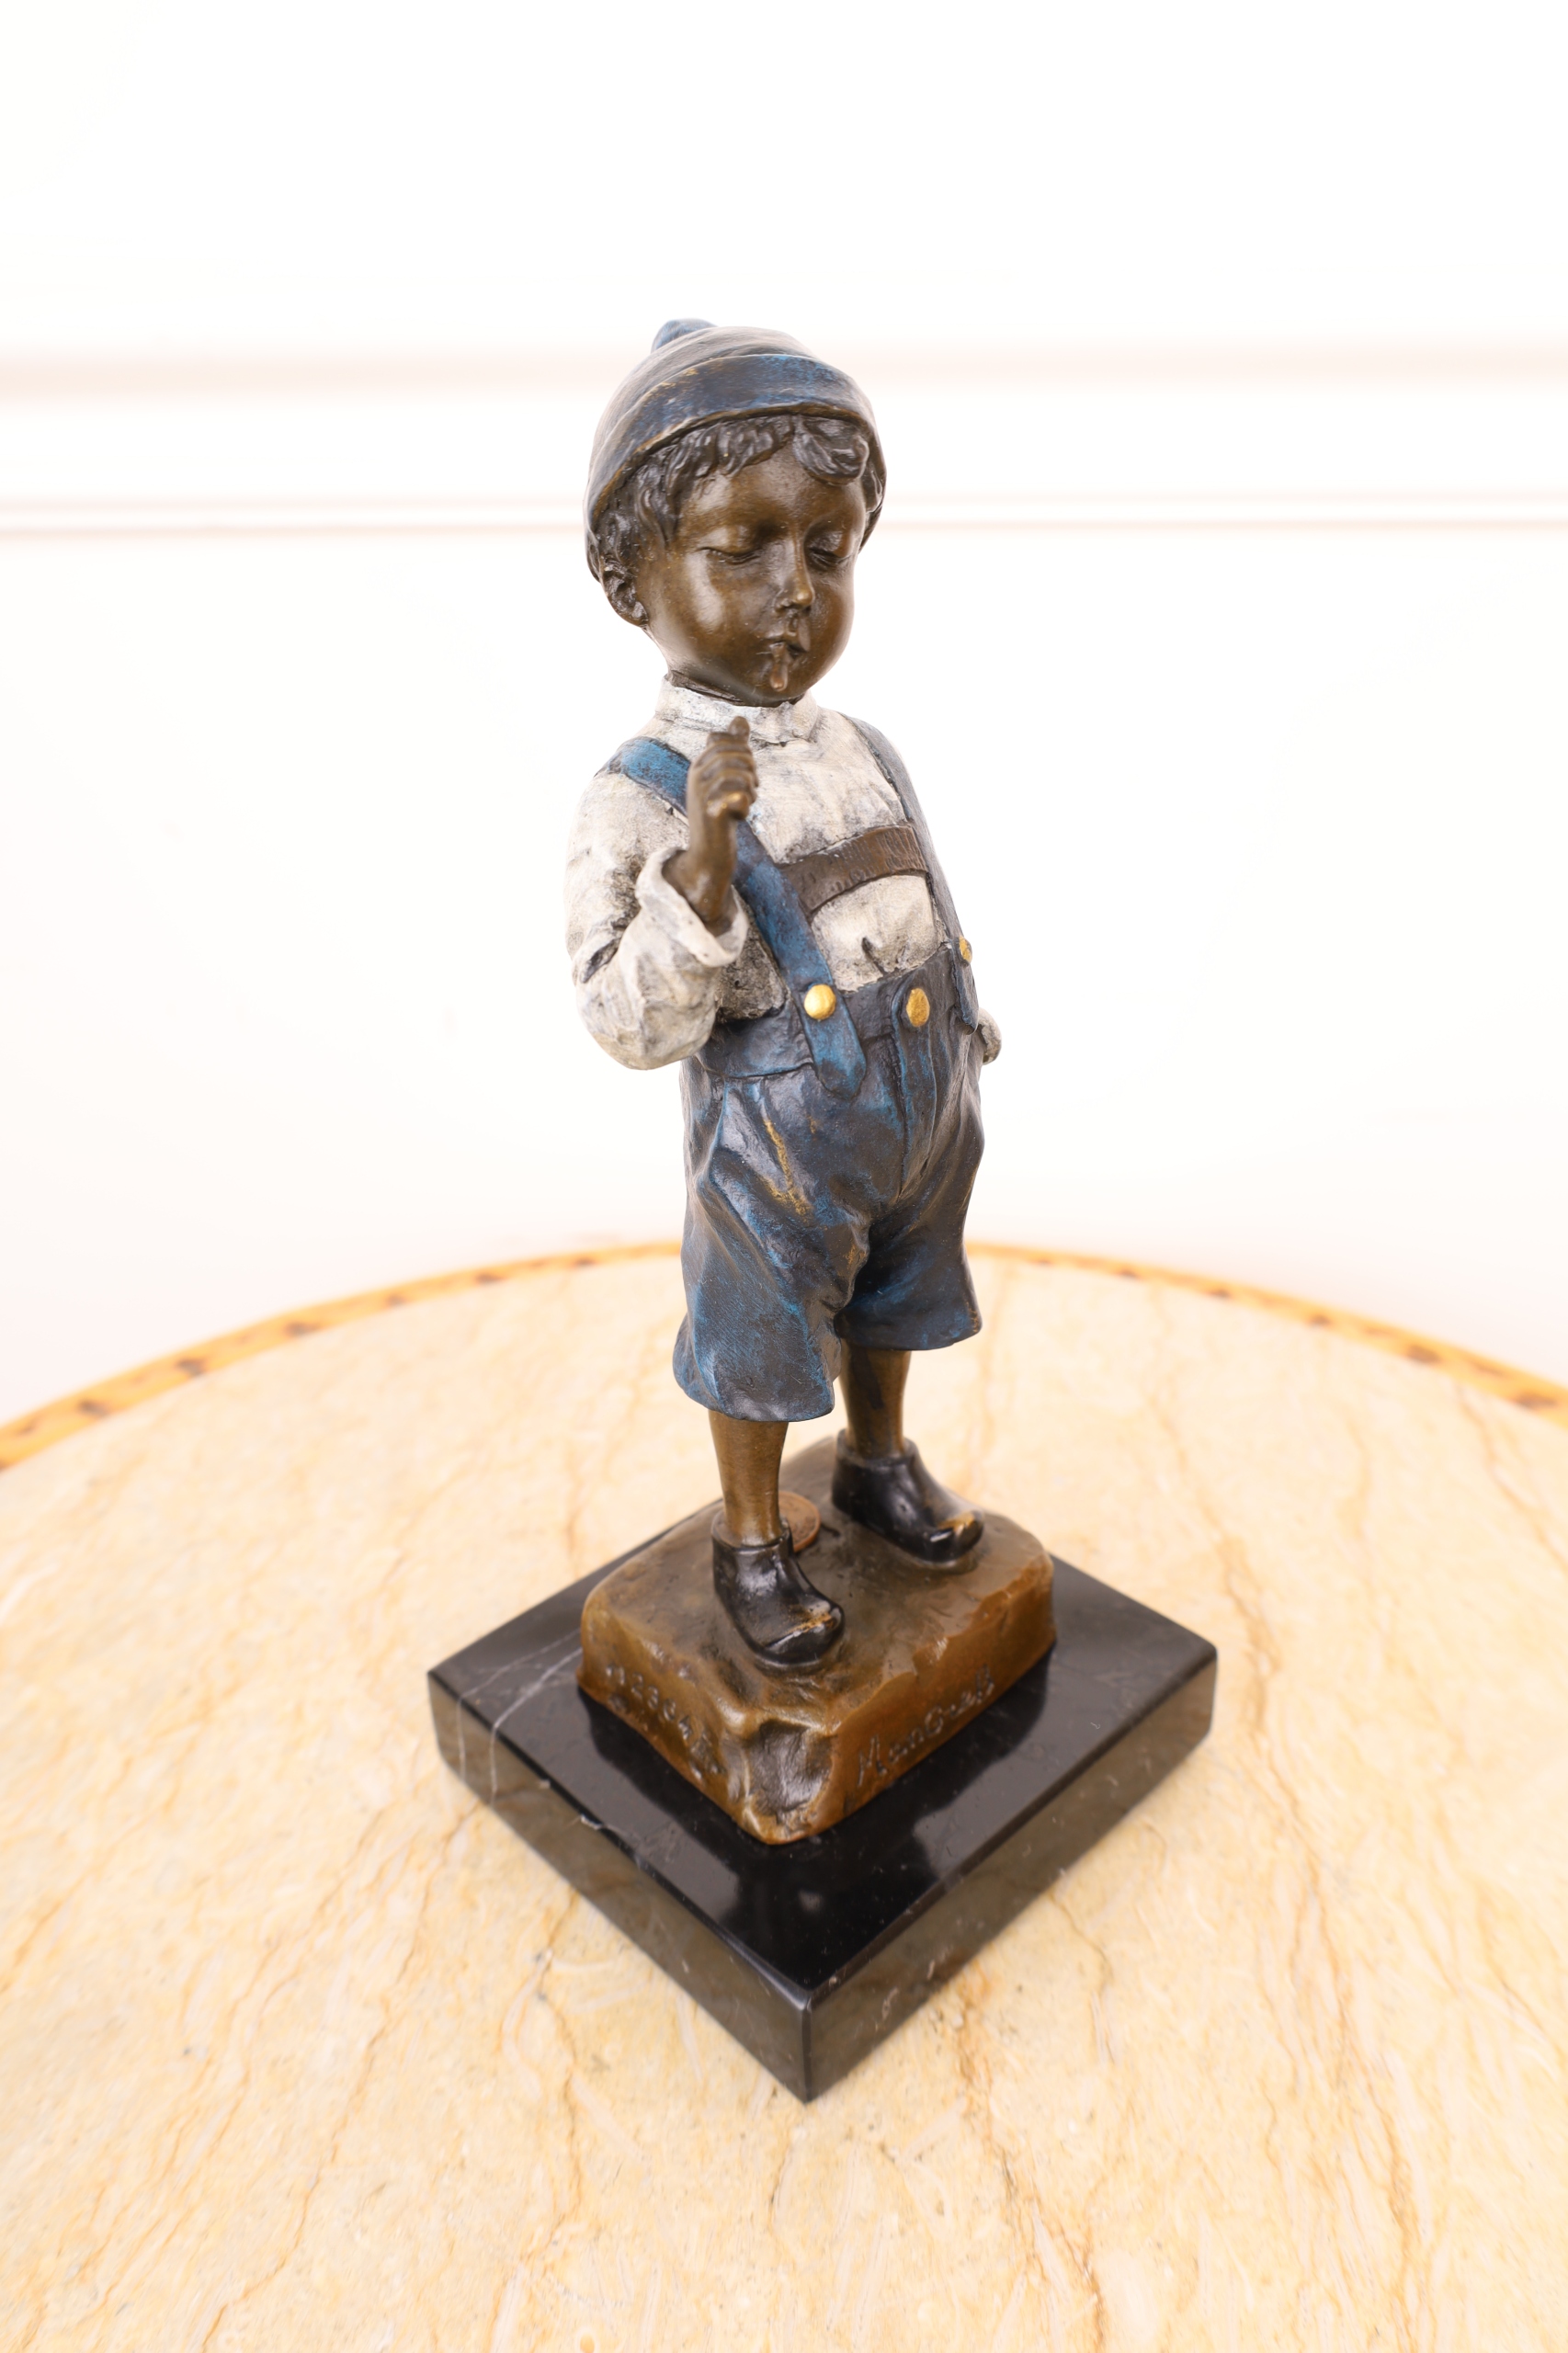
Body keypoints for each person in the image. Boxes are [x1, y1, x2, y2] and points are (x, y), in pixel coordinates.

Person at [567, 322, 1002, 1668]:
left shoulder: (863, 747)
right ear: (631, 579)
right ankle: (750, 1538)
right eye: (740, 549)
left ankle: (875, 1460)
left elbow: (918, 894)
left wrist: (967, 1020)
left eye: (826, 548)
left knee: (903, 1288)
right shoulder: (637, 794)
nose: (794, 590)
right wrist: (699, 874)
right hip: (776, 1135)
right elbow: (626, 1023)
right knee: (757, 1330)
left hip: (922, 1100)